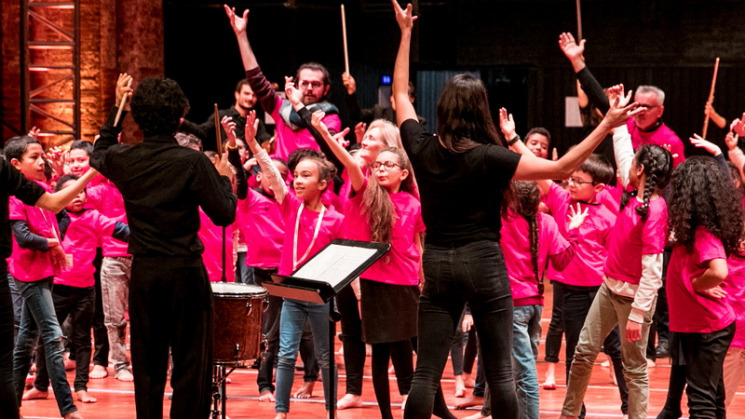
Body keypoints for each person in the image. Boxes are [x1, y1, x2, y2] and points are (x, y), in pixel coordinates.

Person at [390, 3, 643, 418]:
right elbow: (562, 168)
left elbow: (400, 93)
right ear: (481, 111)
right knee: (502, 375)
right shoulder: (492, 156)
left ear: (443, 108)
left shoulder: (420, 145)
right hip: (485, 263)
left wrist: (404, 35)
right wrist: (607, 124)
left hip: (436, 262)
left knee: (425, 376)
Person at [90, 74, 237, 418]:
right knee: (189, 366)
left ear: (138, 118)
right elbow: (225, 215)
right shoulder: (193, 162)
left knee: (148, 367)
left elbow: (99, 148)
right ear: (179, 117)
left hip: (145, 273)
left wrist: (118, 104)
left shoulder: (124, 159)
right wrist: (224, 177)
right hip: (185, 273)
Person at [311, 108, 423, 419]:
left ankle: (415, 396)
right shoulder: (365, 185)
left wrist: (422, 273)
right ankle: (371, 401)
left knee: (410, 343)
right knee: (367, 339)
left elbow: (417, 239)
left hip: (400, 279)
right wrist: (323, 133)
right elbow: (348, 162)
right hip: (364, 272)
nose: (364, 141)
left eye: (372, 138)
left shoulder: (409, 197)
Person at [560, 114, 673, 418]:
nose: (628, 165)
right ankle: (568, 415)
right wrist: (618, 120)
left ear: (642, 170)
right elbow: (624, 155)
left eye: (634, 162)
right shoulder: (632, 195)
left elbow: (653, 273)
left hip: (635, 299)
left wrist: (637, 314)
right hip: (609, 289)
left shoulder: (654, 211)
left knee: (634, 368)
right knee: (583, 352)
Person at [240, 108, 343, 418]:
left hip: (320, 294)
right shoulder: (290, 208)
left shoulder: (335, 220)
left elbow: (340, 261)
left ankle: (330, 410)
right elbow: (272, 174)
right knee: (285, 354)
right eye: (296, 175)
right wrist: (256, 147)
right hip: (291, 293)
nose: (297, 181)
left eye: (305, 176)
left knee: (325, 357)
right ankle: (281, 412)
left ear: (323, 184)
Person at [0, 139, 96, 419]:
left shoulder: (41, 190)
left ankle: (13, 404)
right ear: (16, 165)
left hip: (44, 272)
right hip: (28, 274)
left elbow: (61, 213)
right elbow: (22, 236)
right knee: (53, 337)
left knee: (26, 341)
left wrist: (56, 237)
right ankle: (68, 408)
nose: (42, 162)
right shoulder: (14, 196)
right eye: (35, 157)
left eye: (43, 156)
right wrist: (51, 243)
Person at [24, 174, 130, 404]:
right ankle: (41, 385)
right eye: (71, 192)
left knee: (82, 340)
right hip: (57, 288)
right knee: (47, 338)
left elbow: (120, 230)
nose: (78, 196)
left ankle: (81, 387)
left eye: (81, 191)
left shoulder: (93, 217)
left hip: (85, 290)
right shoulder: (52, 218)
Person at [665, 153, 742, 419]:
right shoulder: (692, 230)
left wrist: (697, 283)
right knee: (713, 397)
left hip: (707, 328)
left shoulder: (703, 234)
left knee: (701, 402)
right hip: (700, 325)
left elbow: (718, 271)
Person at [224, 5, 342, 163]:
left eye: (315, 84)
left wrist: (297, 104)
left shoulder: (330, 117)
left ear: (326, 89)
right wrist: (241, 36)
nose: (308, 88)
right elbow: (256, 79)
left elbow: (329, 151)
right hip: (280, 183)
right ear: (296, 84)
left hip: (314, 184)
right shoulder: (282, 108)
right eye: (304, 83)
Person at [558, 32, 685, 168]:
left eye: (646, 107)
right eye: (636, 105)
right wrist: (576, 61)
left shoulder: (671, 141)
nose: (640, 111)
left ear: (660, 111)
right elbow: (598, 98)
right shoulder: (627, 126)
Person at [180, 78, 270, 152]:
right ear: (237, 95)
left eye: (254, 95)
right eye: (246, 93)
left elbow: (266, 140)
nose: (250, 98)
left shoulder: (256, 121)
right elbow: (203, 131)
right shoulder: (223, 115)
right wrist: (182, 121)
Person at [342, 72, 427, 130]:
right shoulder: (379, 112)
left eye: (402, 95)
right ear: (390, 97)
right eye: (394, 93)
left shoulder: (419, 122)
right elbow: (356, 115)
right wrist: (351, 92)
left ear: (411, 99)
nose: (396, 98)